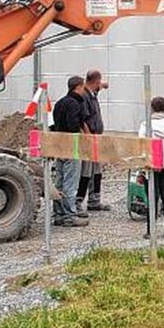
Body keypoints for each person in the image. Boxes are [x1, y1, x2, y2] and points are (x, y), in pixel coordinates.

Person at [138, 96, 164, 239]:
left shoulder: (146, 126)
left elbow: (142, 148)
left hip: (151, 164)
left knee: (152, 197)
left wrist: (141, 169)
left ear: (151, 108)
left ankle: (150, 231)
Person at [51, 76, 89, 227]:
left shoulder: (60, 103)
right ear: (78, 87)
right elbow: (73, 125)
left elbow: (54, 124)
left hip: (58, 146)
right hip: (71, 146)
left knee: (59, 181)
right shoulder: (75, 104)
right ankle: (70, 216)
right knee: (70, 183)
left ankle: (58, 214)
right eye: (83, 87)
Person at [76, 70, 110, 212]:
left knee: (96, 170)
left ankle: (94, 200)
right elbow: (82, 119)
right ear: (95, 82)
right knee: (86, 171)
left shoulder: (92, 93)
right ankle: (78, 201)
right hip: (89, 138)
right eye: (98, 83)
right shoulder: (84, 96)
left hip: (96, 137)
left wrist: (101, 86)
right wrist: (88, 136)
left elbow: (100, 86)